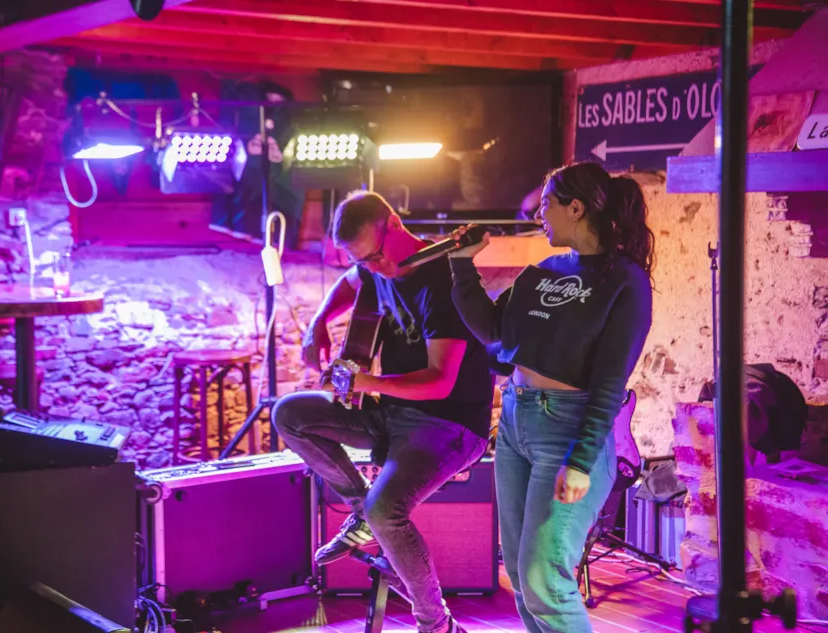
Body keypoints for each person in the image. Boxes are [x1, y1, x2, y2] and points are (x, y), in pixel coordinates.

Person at [271, 191, 494, 633]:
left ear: (394, 224)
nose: (374, 268)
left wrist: (366, 382)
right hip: (392, 412)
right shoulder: (374, 268)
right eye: (363, 260)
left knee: (387, 509)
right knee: (289, 414)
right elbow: (351, 280)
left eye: (375, 256)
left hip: (449, 424)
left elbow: (440, 382)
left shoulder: (442, 283)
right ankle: (361, 510)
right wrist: (318, 323)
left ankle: (437, 624)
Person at [448, 161, 654, 633]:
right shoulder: (541, 271)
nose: (538, 215)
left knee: (544, 577)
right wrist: (462, 266)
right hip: (516, 424)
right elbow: (493, 332)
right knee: (522, 576)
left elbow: (610, 382)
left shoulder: (625, 281)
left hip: (567, 431)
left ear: (575, 208)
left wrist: (581, 461)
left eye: (546, 205)